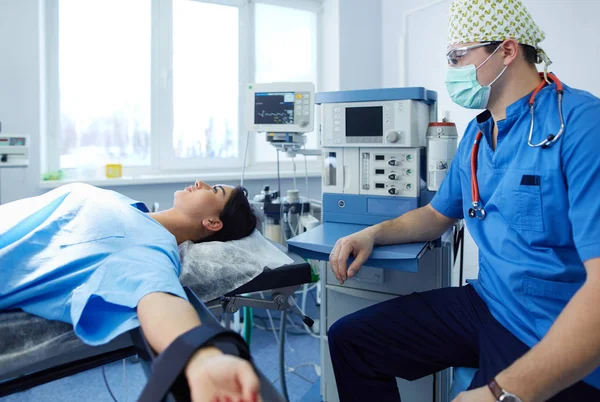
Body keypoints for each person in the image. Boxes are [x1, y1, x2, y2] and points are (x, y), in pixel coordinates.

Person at [327, 1, 600, 401]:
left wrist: (497, 394)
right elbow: (437, 214)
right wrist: (372, 234)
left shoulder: (580, 124)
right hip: (489, 301)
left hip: (548, 321)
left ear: (506, 51)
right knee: (351, 340)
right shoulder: (475, 135)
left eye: (458, 57)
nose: (452, 71)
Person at [0, 181, 260, 402]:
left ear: (212, 222)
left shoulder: (149, 246)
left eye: (215, 190)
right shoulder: (127, 205)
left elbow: (158, 297)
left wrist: (201, 356)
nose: (201, 182)